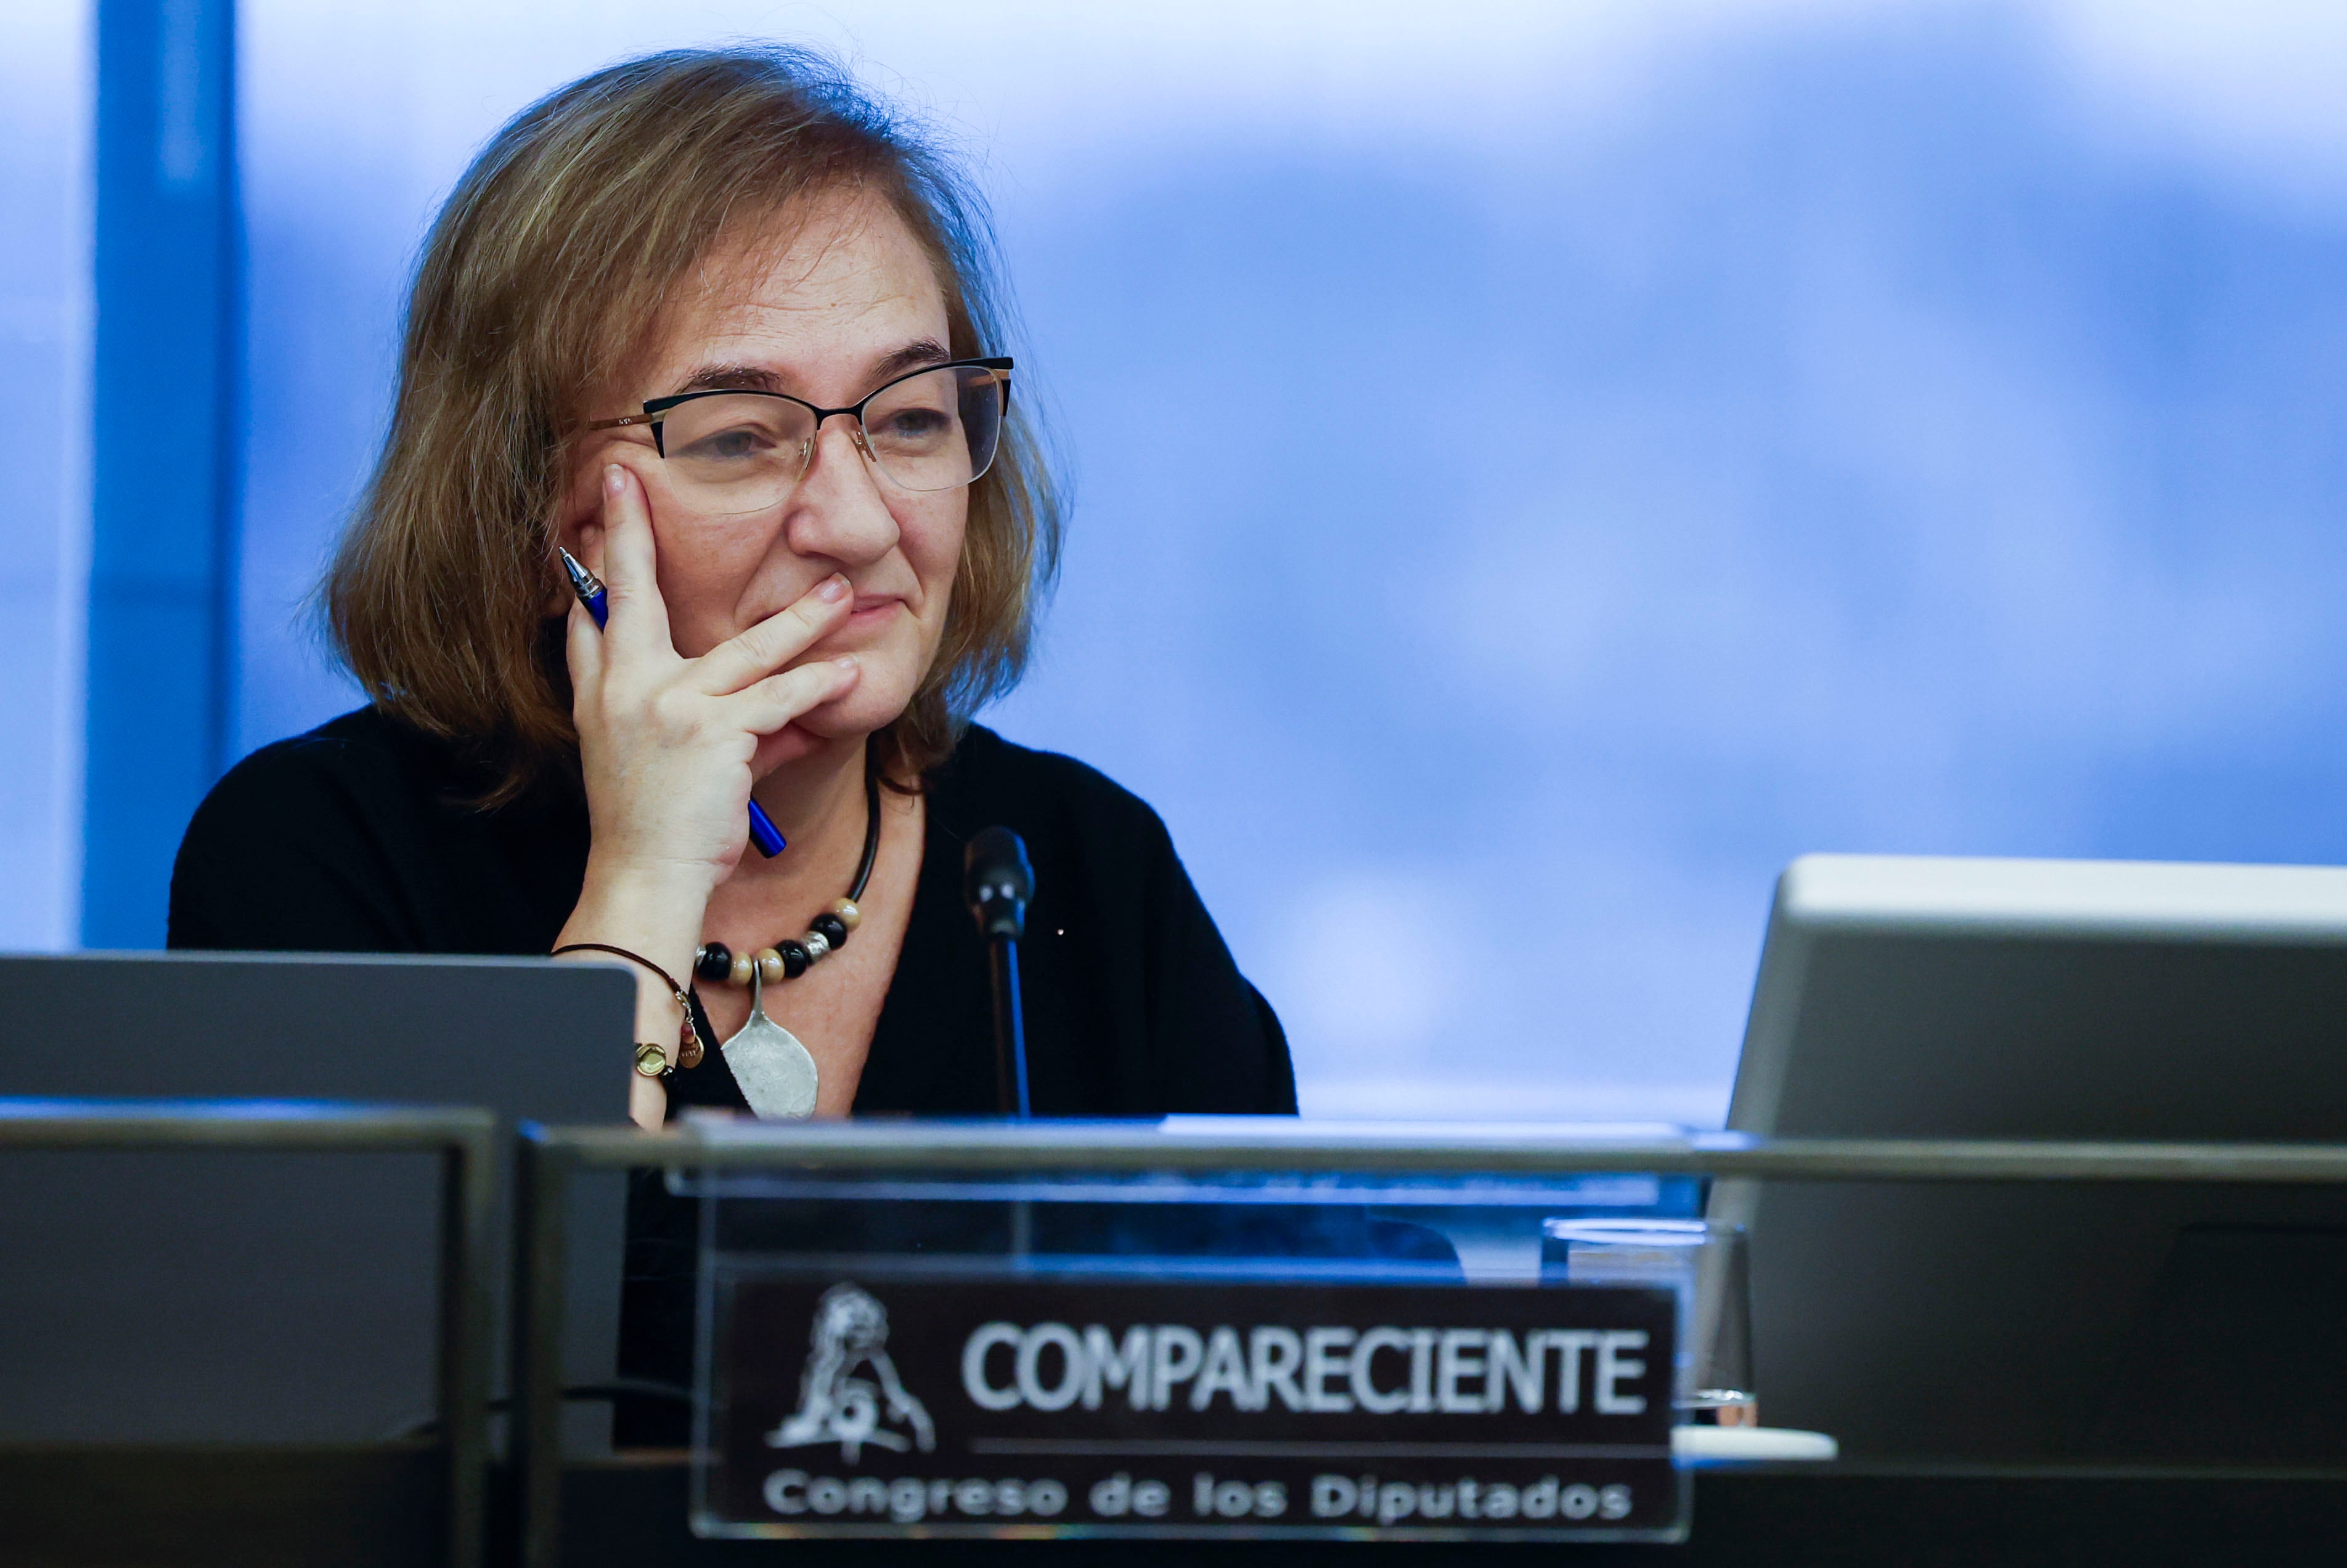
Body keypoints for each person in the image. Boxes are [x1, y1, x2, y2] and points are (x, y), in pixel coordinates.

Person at [168, 46, 1297, 1435]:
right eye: (738, 439)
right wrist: (642, 882)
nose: (860, 520)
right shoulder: (320, 852)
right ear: (532, 506)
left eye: (909, 417)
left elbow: (1280, 1390)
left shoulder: (1075, 866)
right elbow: (387, 1420)